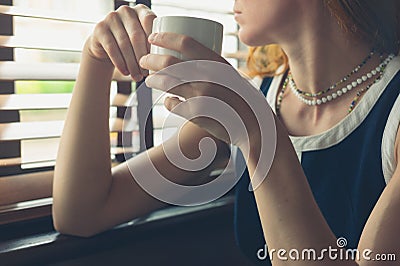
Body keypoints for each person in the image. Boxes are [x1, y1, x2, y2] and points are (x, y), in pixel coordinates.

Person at [53, 1, 400, 265]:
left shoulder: (392, 114)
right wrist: (96, 59)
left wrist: (260, 135)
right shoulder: (251, 102)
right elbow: (83, 213)